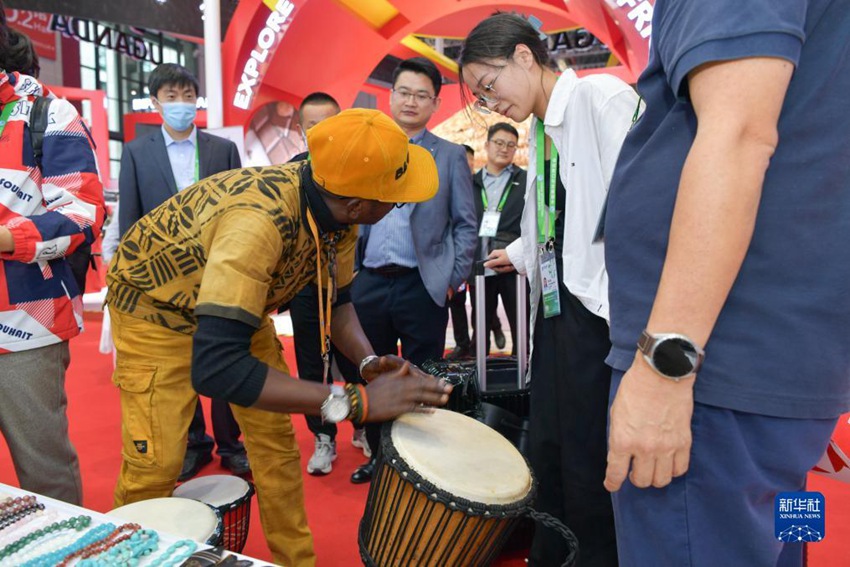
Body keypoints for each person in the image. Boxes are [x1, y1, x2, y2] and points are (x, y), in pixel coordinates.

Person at [106, 108, 452, 566]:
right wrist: (353, 402)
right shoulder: (259, 222)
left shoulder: (337, 209)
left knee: (276, 451)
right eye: (396, 198)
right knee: (156, 466)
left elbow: (339, 302)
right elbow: (219, 370)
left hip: (235, 313)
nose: (400, 206)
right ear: (357, 203)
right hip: (157, 314)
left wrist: (369, 364)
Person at [602, 1, 850, 566]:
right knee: (786, 532)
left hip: (713, 367)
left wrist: (666, 367)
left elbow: (739, 136)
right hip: (777, 358)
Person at [459, 12, 641, 566]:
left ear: (522, 55)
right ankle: (552, 552)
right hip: (555, 305)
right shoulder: (540, 131)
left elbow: (639, 209)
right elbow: (552, 220)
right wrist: (514, 254)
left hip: (599, 312)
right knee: (551, 441)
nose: (490, 104)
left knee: (589, 451)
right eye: (479, 98)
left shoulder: (600, 99)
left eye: (488, 86)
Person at [341, 57, 477, 484]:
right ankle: (381, 458)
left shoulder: (450, 155)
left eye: (422, 95)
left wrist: (452, 278)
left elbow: (465, 224)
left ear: (435, 103)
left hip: (424, 285)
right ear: (391, 96)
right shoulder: (368, 150)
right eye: (404, 92)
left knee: (424, 375)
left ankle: (422, 468)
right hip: (371, 283)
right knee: (375, 376)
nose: (411, 101)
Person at [118, 62, 249, 481]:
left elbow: (243, 210)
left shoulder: (221, 149)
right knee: (178, 360)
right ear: (155, 103)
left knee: (227, 351)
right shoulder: (138, 153)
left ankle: (231, 444)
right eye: (170, 97)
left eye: (187, 96)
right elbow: (131, 221)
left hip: (221, 271)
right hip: (164, 280)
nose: (180, 105)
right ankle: (195, 442)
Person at [0, 10, 106, 505]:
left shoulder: (46, 110)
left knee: (45, 475)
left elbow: (83, 211)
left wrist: (7, 239)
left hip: (26, 322)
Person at [283, 91, 370, 476]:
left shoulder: (358, 169)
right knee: (311, 366)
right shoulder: (290, 172)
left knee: (353, 360)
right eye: (314, 125)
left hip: (346, 285)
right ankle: (323, 437)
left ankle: (364, 426)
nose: (322, 133)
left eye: (330, 124)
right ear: (301, 130)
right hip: (304, 288)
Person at [469, 122, 527, 356]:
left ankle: (523, 369)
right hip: (479, 262)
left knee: (520, 320)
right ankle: (478, 373)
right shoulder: (471, 181)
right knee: (480, 320)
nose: (504, 149)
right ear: (487, 145)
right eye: (499, 143)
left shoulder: (525, 180)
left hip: (512, 262)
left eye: (510, 145)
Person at [445, 144, 476, 360]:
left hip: (472, 254)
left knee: (480, 303)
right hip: (452, 256)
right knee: (457, 302)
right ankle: (462, 342)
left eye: (469, 160)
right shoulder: (448, 183)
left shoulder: (477, 184)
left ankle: (480, 338)